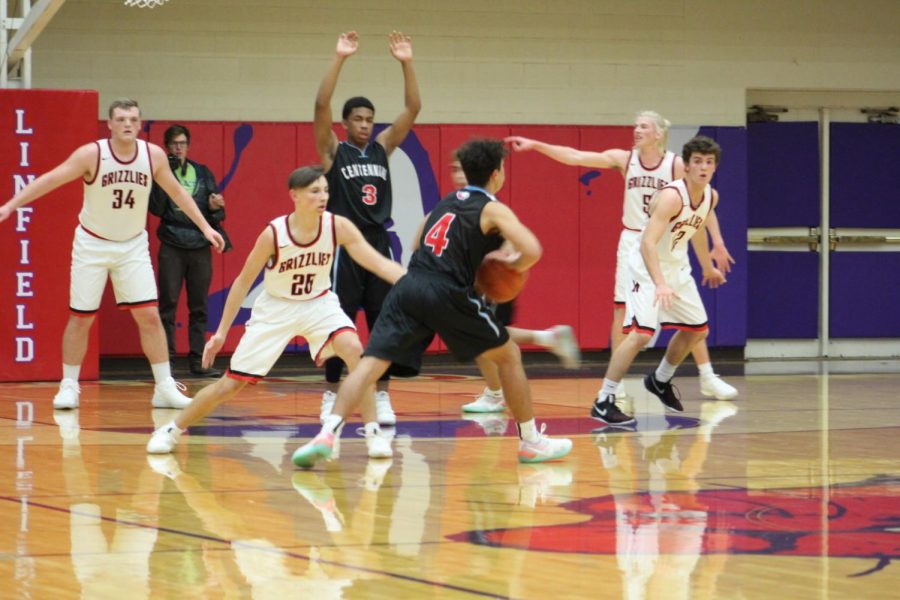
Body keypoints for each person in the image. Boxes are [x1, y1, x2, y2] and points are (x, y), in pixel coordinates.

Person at [292, 139, 572, 469]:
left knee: (369, 364)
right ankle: (530, 442)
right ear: (497, 174)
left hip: (410, 285)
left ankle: (327, 433)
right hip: (447, 290)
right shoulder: (493, 208)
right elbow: (533, 250)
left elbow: (418, 240)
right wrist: (508, 267)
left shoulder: (446, 202)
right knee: (509, 354)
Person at [146, 166, 406, 457]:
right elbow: (242, 282)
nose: (323, 197)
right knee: (229, 385)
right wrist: (220, 333)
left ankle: (373, 433)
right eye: (315, 191)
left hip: (319, 302)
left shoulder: (337, 226)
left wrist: (412, 282)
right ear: (294, 195)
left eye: (325, 190)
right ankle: (171, 430)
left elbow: (378, 263)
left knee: (354, 349)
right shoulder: (274, 234)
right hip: (276, 309)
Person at [0, 98, 225, 410]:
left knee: (148, 315)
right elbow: (51, 179)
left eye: (133, 118)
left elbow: (177, 193)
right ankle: (69, 386)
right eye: (120, 119)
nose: (127, 124)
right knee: (81, 317)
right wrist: (11, 205)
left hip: (132, 245)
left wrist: (205, 227)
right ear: (109, 124)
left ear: (140, 122)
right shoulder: (92, 154)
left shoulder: (152, 155)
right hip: (92, 244)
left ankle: (163, 386)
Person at [506, 112, 738, 402]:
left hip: (669, 240)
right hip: (634, 242)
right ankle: (617, 387)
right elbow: (575, 156)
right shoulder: (623, 158)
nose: (637, 130)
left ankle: (707, 376)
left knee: (691, 320)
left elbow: (701, 204)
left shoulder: (677, 165)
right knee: (622, 314)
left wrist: (716, 243)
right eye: (636, 126)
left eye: (643, 126)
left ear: (658, 133)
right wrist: (536, 145)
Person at [314, 30, 421, 426]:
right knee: (337, 321)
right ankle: (330, 395)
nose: (364, 125)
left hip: (377, 244)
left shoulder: (383, 147)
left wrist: (406, 63)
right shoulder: (333, 151)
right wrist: (340, 57)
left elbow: (413, 106)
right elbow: (321, 103)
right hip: (344, 244)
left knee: (384, 322)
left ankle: (382, 395)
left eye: (369, 120)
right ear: (344, 124)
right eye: (357, 119)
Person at [587, 135, 727, 424]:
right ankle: (605, 399)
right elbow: (647, 243)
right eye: (697, 161)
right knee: (640, 334)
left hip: (676, 268)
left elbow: (698, 226)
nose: (703, 167)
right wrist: (660, 282)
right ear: (685, 166)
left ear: (714, 168)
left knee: (697, 330)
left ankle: (660, 380)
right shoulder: (672, 196)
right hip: (646, 269)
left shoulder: (710, 196)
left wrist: (710, 261)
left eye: (709, 162)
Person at [445, 152, 582, 415]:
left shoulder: (491, 206)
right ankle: (549, 338)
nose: (457, 175)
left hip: (490, 284)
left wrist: (505, 260)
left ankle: (496, 394)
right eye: (453, 170)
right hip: (470, 285)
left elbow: (513, 239)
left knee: (483, 340)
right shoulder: (457, 204)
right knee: (484, 339)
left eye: (461, 169)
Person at [149, 124, 231, 377]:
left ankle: (198, 362)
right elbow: (155, 208)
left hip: (198, 245)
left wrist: (216, 207)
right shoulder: (160, 173)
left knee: (199, 306)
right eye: (173, 144)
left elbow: (219, 213)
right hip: (171, 243)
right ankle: (167, 363)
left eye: (182, 143)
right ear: (166, 147)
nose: (178, 148)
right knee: (168, 306)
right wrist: (167, 176)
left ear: (188, 146)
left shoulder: (203, 173)